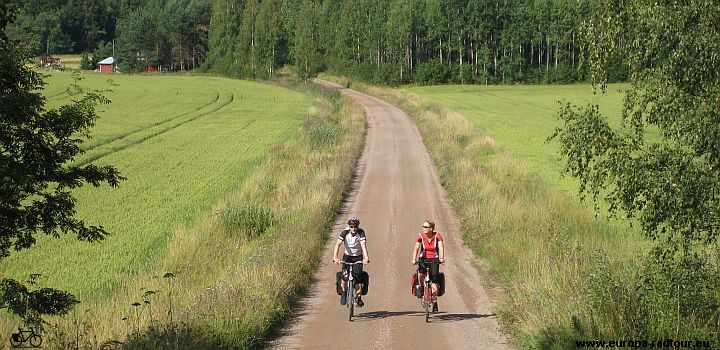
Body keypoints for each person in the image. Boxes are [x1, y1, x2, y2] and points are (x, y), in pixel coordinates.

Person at [332, 217, 370, 307]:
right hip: (347, 257)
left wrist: (366, 258)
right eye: (351, 226)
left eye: (355, 226)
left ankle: (358, 297)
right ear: (349, 226)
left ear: (358, 226)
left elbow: (363, 246)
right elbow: (338, 244)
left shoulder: (361, 233)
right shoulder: (345, 232)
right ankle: (344, 293)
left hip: (358, 258)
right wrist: (335, 257)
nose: (353, 228)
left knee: (358, 280)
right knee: (344, 277)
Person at [410, 220, 445, 312]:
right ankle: (421, 288)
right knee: (421, 274)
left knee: (434, 281)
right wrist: (414, 259)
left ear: (432, 228)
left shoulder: (437, 236)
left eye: (426, 227)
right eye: (423, 227)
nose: (424, 228)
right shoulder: (421, 236)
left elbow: (441, 247)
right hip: (423, 259)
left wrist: (441, 258)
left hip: (434, 259)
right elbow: (416, 248)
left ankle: (434, 301)